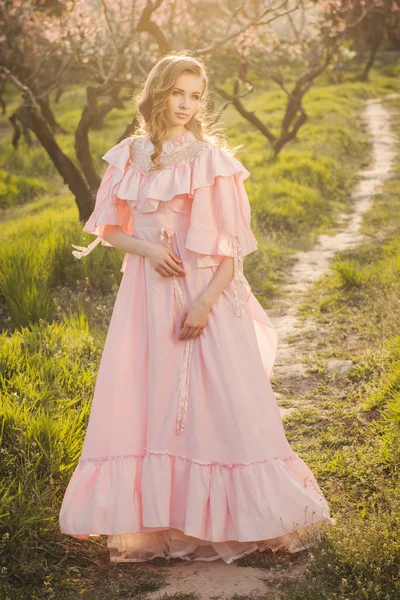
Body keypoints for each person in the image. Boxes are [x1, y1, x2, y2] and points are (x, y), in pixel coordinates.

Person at [59, 52, 333, 564]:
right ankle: (162, 519)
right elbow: (111, 229)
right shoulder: (128, 155)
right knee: (149, 402)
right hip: (144, 296)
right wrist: (148, 249)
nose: (185, 105)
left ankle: (238, 518)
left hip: (203, 295)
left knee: (214, 405)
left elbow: (232, 250)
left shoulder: (210, 161)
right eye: (176, 93)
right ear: (158, 93)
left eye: (195, 96)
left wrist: (206, 303)